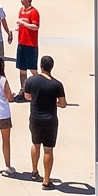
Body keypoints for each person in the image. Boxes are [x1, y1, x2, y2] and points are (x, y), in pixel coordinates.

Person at [21, 55, 68, 189]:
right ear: (51, 67)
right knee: (48, 150)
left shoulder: (31, 81)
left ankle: (34, 171)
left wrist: (37, 99)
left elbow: (27, 96)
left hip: (35, 118)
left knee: (35, 144)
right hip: (50, 120)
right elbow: (63, 104)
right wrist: (53, 103)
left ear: (41, 66)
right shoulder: (57, 84)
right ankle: (46, 181)